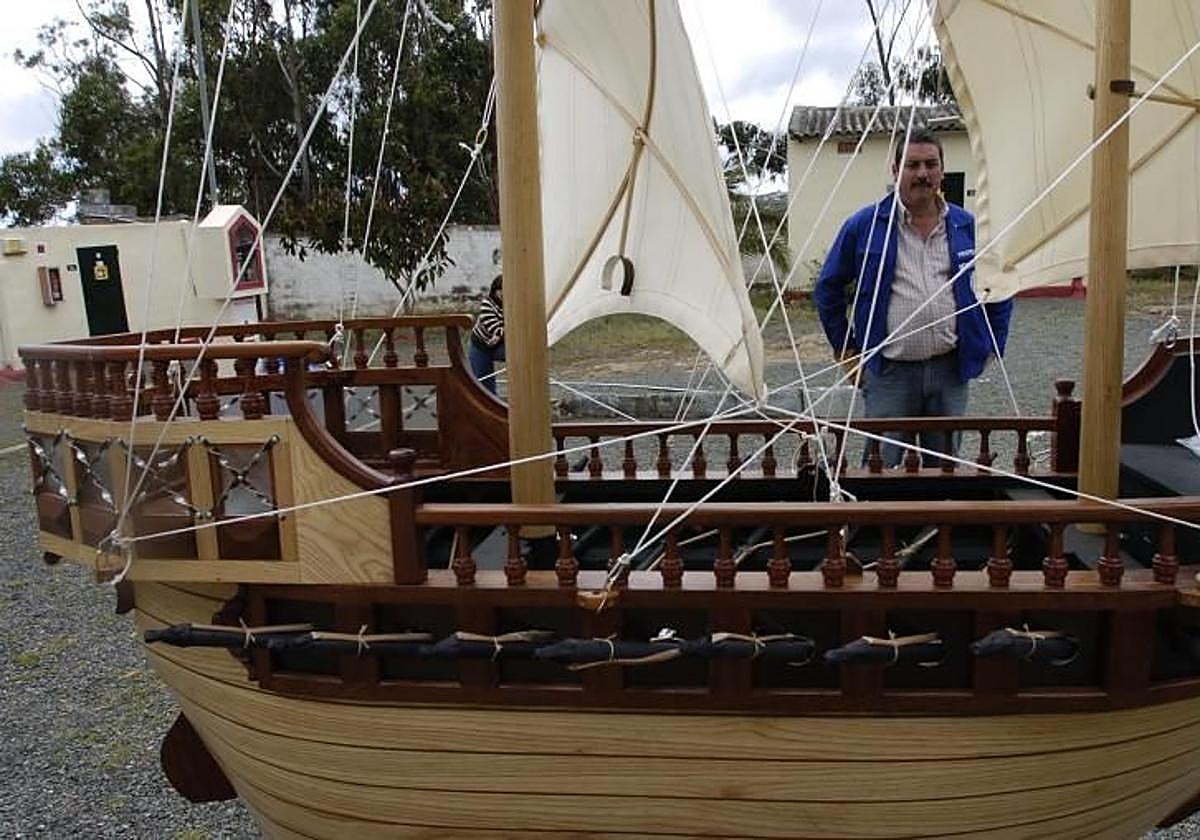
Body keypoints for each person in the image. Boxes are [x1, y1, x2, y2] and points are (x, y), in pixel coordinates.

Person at [813, 126, 1013, 466]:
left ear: (942, 170)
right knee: (881, 469)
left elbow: (1001, 286)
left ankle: (940, 505)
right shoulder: (865, 225)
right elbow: (827, 288)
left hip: (950, 371)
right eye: (912, 165)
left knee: (945, 469)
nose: (922, 173)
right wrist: (846, 352)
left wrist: (991, 346)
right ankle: (877, 506)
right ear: (896, 170)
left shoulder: (968, 227)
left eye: (931, 164)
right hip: (889, 373)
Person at [469, 275, 506, 395]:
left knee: (519, 356)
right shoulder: (487, 304)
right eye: (500, 289)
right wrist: (501, 333)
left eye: (506, 290)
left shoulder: (514, 305)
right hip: (480, 347)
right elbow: (494, 328)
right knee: (483, 384)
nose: (503, 293)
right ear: (494, 290)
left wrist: (500, 334)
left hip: (499, 345)